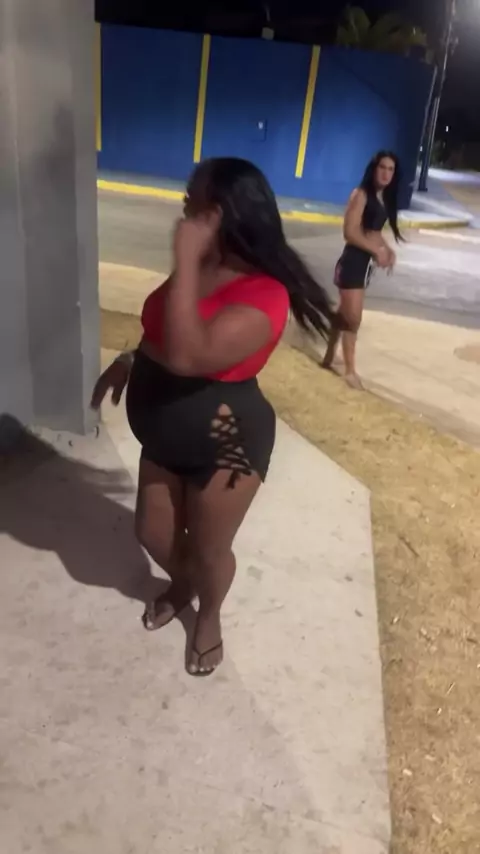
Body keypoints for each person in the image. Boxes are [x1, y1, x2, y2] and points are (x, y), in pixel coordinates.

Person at [91, 157, 332, 676]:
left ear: (222, 213)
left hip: (227, 445)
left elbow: (188, 355)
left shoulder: (266, 293)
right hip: (163, 437)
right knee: (152, 534)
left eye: (192, 200)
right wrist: (130, 359)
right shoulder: (199, 266)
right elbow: (163, 326)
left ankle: (210, 615)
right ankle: (183, 586)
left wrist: (184, 255)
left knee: (208, 549)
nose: (183, 208)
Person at [323, 150, 403, 389]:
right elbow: (349, 232)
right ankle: (349, 371)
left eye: (391, 169)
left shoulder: (382, 198)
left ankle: (329, 355)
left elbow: (374, 232)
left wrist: (387, 248)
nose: (386, 173)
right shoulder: (361, 195)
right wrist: (376, 250)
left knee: (345, 313)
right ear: (374, 169)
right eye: (382, 168)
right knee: (353, 319)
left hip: (364, 266)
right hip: (351, 264)